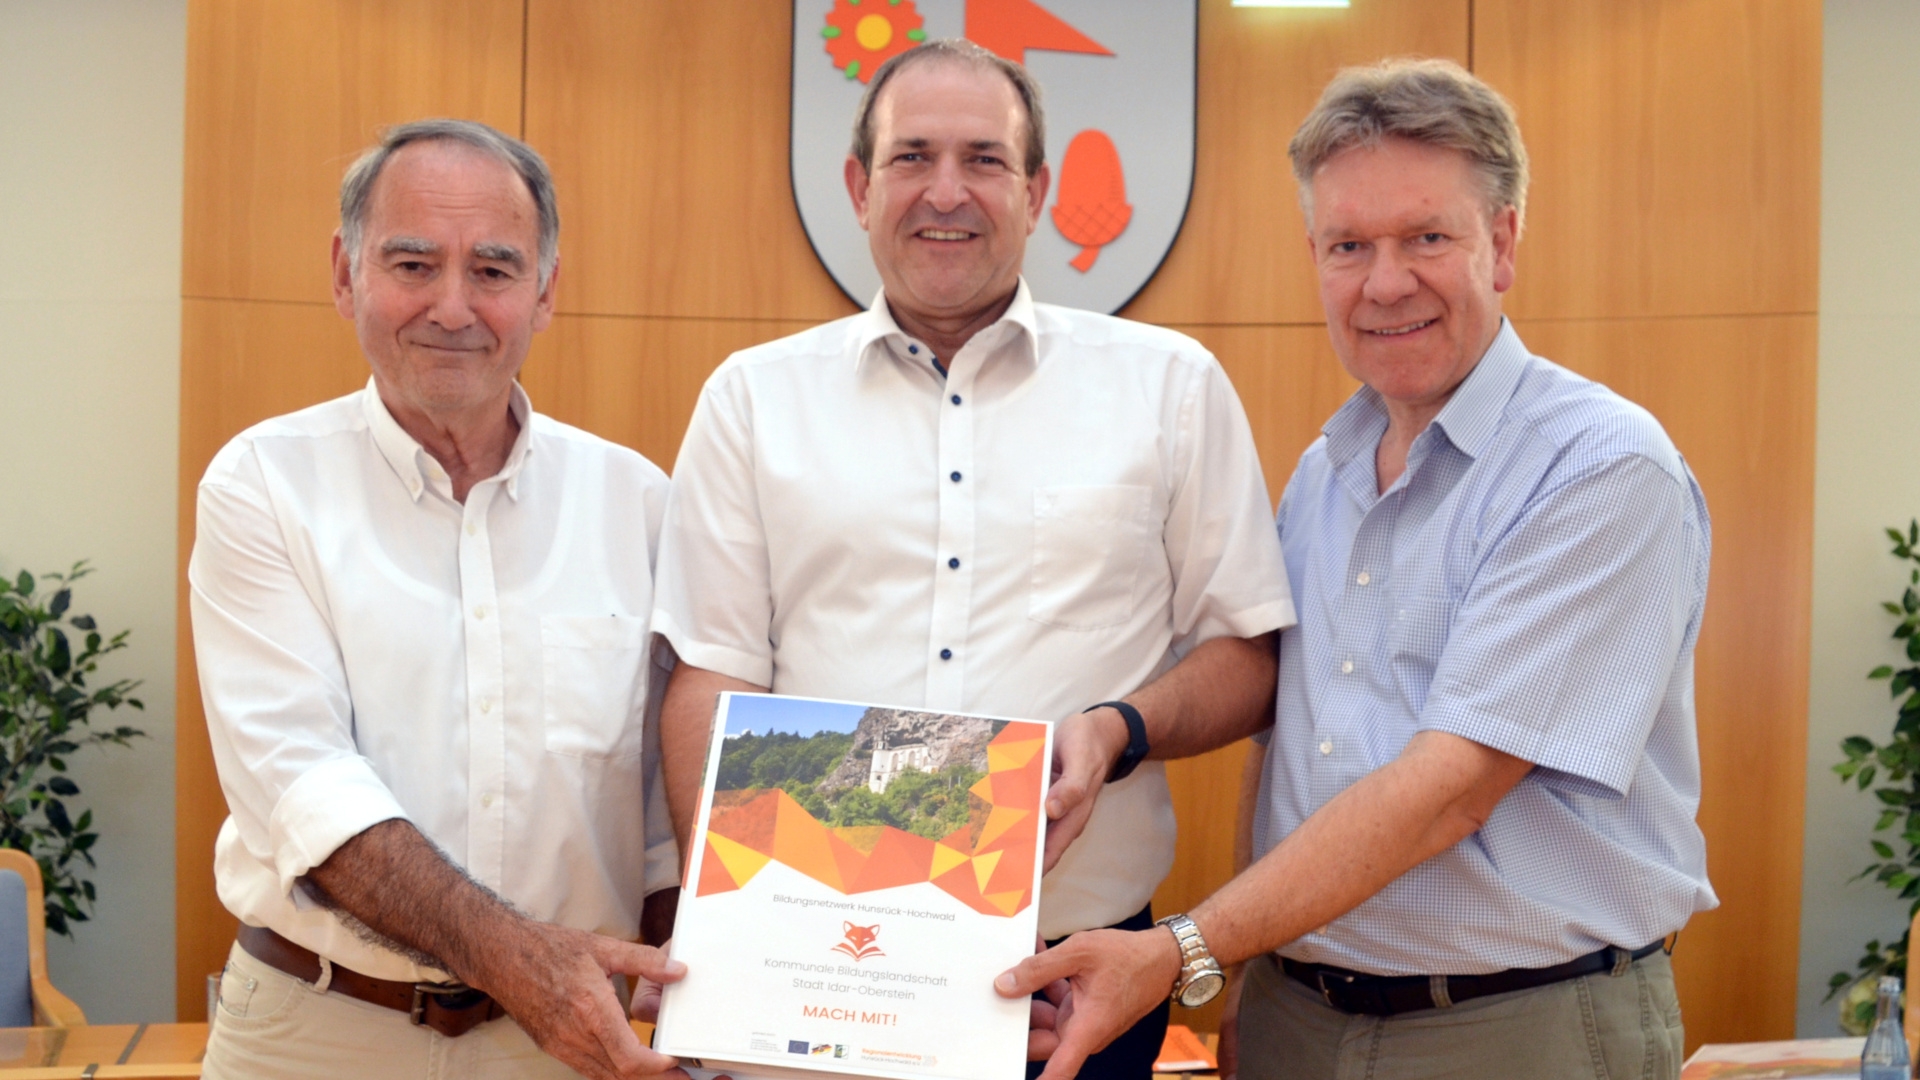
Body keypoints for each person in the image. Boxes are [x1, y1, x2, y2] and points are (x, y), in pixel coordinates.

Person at [996, 58, 1717, 1080]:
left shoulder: (1597, 467)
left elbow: (1447, 789)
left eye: (1427, 237)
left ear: (1502, 242)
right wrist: (1124, 732)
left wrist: (1184, 951)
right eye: (1349, 245)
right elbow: (1294, 739)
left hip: (1517, 1030)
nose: (1385, 283)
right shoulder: (1326, 471)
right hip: (1302, 1016)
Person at [650, 39, 1293, 1080]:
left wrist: (1119, 731)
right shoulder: (752, 399)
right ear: (859, 187)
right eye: (912, 157)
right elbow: (711, 672)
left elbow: (1249, 657)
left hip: (1074, 979)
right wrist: (727, 927)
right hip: (812, 958)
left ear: (1036, 191)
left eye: (985, 160)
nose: (946, 191)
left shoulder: (1170, 387)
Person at [190, 118, 687, 1080]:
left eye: (494, 270)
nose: (452, 307)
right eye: (412, 263)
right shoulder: (262, 485)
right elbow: (305, 790)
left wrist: (696, 1003)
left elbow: (663, 815)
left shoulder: (640, 504)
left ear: (545, 292)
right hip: (316, 1032)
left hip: (576, 1046)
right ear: (345, 273)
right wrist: (525, 966)